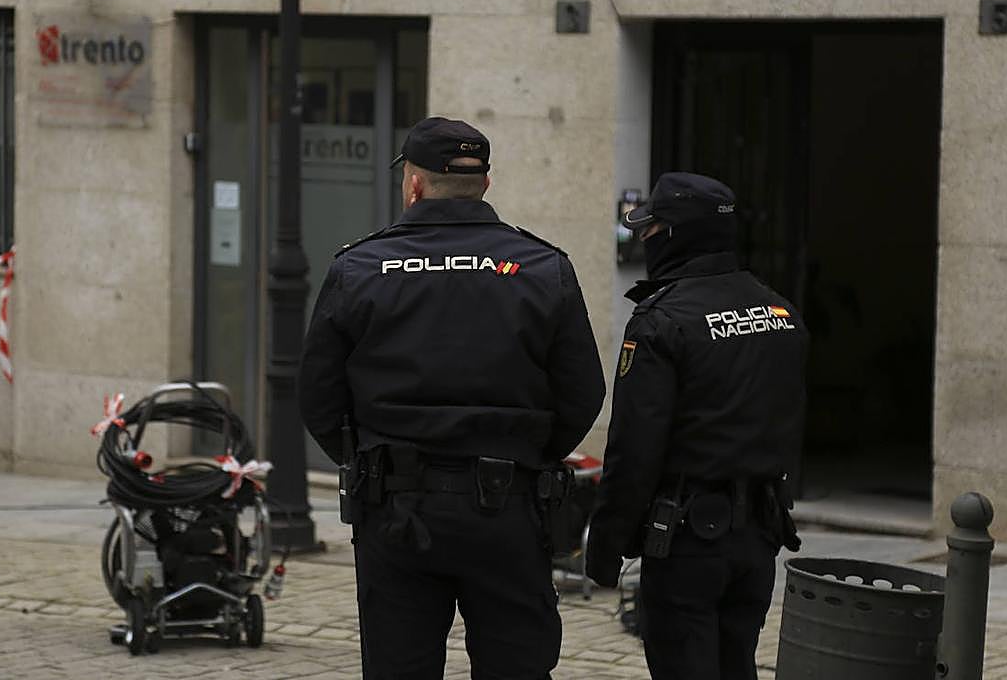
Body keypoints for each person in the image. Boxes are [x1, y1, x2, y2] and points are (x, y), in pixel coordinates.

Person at [297, 115, 605, 680]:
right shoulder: (541, 267)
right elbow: (583, 393)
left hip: (395, 507)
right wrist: (528, 453)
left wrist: (367, 456)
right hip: (511, 508)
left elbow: (318, 395)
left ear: (413, 184)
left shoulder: (360, 267)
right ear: (485, 184)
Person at [586, 171, 809, 680]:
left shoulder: (662, 321)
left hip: (688, 543)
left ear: (672, 234)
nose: (643, 238)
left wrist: (605, 547)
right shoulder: (782, 312)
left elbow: (634, 449)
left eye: (650, 228)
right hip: (758, 537)